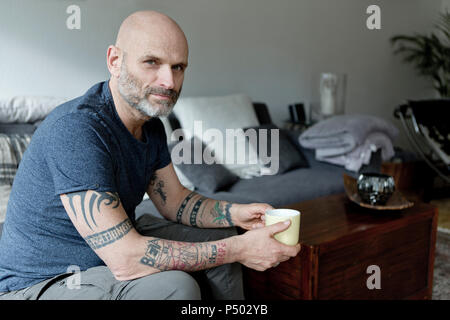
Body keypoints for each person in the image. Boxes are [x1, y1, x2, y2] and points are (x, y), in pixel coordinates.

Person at [0, 10, 300, 300]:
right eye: (152, 62)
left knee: (222, 239)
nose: (169, 82)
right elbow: (125, 258)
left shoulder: (151, 125)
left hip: (107, 253)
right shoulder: (77, 129)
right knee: (175, 287)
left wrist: (237, 214)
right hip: (42, 281)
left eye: (178, 67)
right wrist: (240, 248)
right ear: (115, 61)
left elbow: (176, 201)